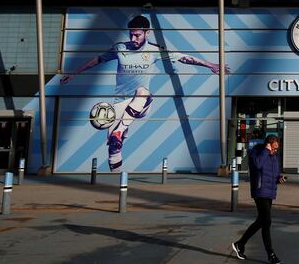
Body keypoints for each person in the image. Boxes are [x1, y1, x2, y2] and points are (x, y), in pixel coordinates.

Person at [60, 14, 229, 171]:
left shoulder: (154, 50)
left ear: (147, 33)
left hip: (141, 103)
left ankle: (119, 130)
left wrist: (210, 65)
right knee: (114, 148)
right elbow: (97, 60)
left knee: (142, 92)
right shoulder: (119, 48)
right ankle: (118, 181)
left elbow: (184, 57)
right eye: (131, 34)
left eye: (137, 35)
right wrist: (74, 73)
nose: (133, 38)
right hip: (119, 103)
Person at [232, 135, 286, 264]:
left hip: (270, 192)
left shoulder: (274, 156)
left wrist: (279, 178)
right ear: (268, 144)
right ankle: (271, 255)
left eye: (276, 149)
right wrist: (267, 151)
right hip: (260, 191)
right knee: (266, 221)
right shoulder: (257, 153)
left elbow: (275, 172)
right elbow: (258, 165)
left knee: (262, 221)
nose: (275, 151)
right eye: (274, 148)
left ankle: (240, 244)